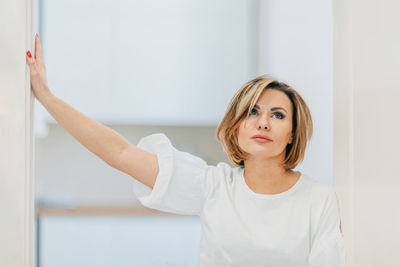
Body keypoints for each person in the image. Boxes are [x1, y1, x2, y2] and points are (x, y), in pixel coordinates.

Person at [26, 34, 345, 267]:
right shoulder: (212, 187)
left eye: (277, 115)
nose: (263, 123)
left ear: (293, 134)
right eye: (252, 112)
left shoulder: (318, 200)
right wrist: (47, 98)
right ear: (236, 126)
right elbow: (120, 152)